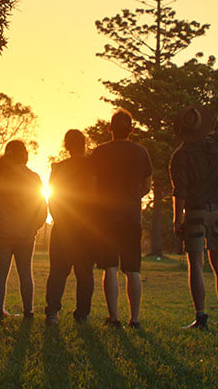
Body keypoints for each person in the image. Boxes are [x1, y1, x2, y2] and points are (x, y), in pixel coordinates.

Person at [170, 70, 218, 329]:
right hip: (216, 211)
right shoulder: (216, 143)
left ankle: (201, 315)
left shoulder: (180, 155)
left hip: (194, 212)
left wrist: (177, 220)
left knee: (196, 263)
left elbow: (180, 193)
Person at [90, 110, 152, 328]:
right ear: (131, 129)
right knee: (133, 269)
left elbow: (93, 186)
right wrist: (133, 198)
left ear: (110, 129)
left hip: (106, 216)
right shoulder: (141, 152)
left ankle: (113, 317)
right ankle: (134, 319)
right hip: (131, 216)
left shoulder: (99, 152)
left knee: (110, 267)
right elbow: (147, 185)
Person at [0, 140, 46, 321]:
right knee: (26, 272)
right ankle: (29, 312)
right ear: (25, 155)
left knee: (0, 273)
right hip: (25, 233)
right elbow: (42, 207)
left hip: (1, 232)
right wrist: (34, 226)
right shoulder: (33, 177)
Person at [44, 130, 97, 325]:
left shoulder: (58, 168)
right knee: (85, 273)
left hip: (63, 225)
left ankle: (52, 312)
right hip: (86, 226)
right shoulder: (93, 166)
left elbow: (52, 197)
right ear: (84, 144)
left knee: (58, 271)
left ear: (66, 145)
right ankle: (82, 314)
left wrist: (59, 218)